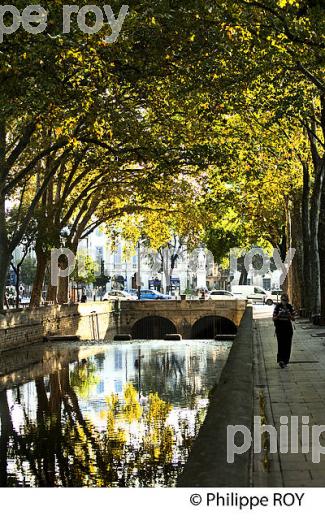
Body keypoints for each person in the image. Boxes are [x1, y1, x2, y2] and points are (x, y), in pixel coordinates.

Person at [273, 293, 295, 368]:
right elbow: (273, 318)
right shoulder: (277, 306)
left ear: (287, 300)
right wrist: (279, 315)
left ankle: (285, 361)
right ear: (281, 300)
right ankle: (281, 360)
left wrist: (289, 315)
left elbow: (293, 318)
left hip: (288, 327)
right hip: (280, 327)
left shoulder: (290, 306)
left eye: (285, 300)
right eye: (282, 300)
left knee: (287, 344)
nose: (284, 301)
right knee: (281, 344)